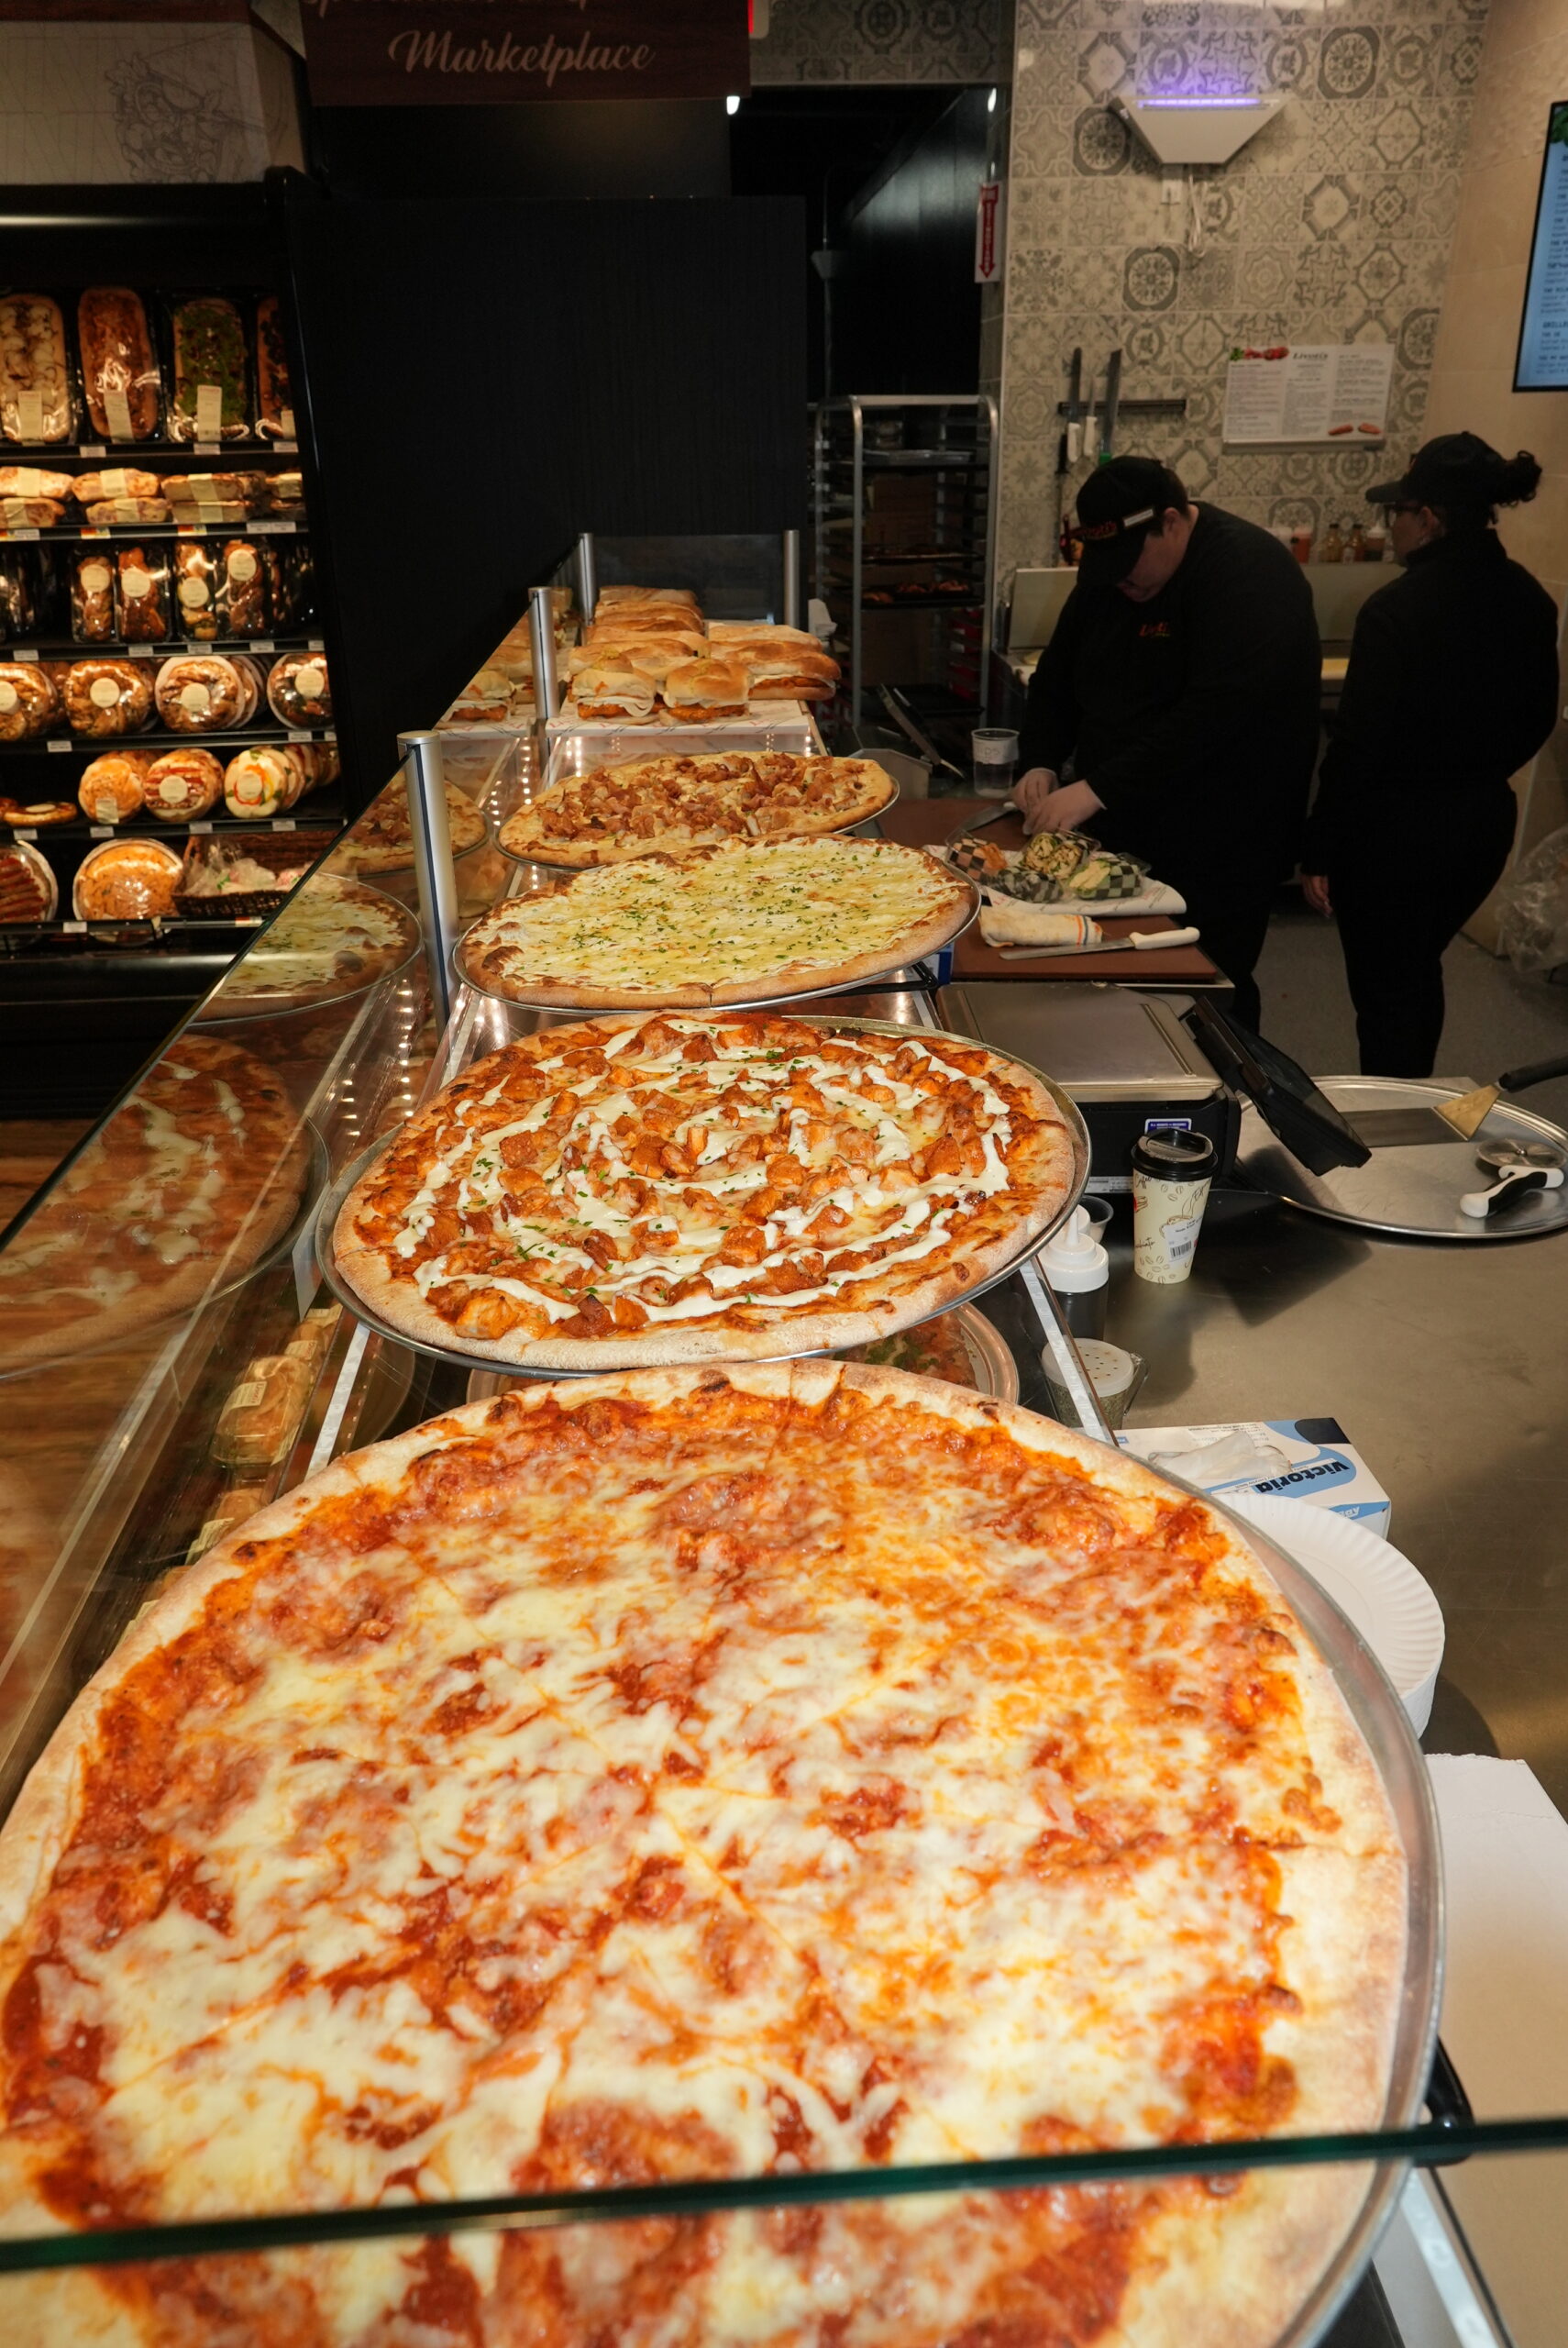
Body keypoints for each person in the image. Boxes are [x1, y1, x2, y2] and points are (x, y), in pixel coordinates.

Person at [1016, 456, 1321, 1031]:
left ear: (1174, 522)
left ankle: (1228, 1099)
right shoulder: (1113, 581)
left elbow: (1214, 717)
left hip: (1225, 834)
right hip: (1124, 822)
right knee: (1119, 976)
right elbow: (1057, 675)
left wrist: (1097, 788)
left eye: (1131, 566)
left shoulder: (1250, 575)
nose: (1123, 582)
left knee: (1202, 984)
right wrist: (1040, 757)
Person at [1301, 434, 1560, 1078]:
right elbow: (1537, 719)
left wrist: (1320, 850)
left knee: (1389, 990)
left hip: (1394, 834)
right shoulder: (1531, 599)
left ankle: (1395, 1128)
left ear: (1431, 518)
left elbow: (1358, 745)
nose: (1391, 530)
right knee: (1417, 968)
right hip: (1479, 825)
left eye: (1400, 514)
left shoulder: (1398, 609)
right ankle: (1413, 1101)